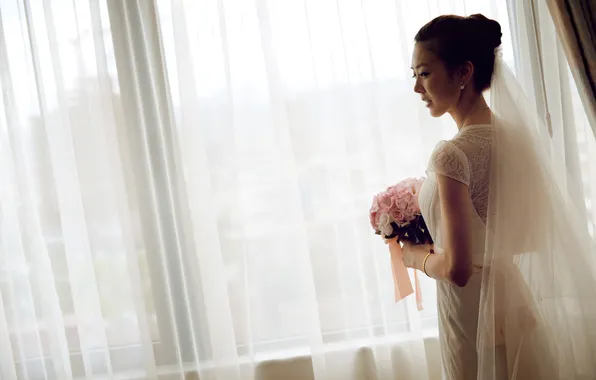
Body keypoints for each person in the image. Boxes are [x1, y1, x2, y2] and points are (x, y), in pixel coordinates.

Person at [398, 14, 596, 380]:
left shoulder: (450, 155)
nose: (417, 88)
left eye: (424, 73)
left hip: (470, 311)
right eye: (414, 75)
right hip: (512, 298)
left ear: (463, 73)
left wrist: (414, 257)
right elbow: (525, 232)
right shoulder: (516, 139)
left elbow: (457, 270)